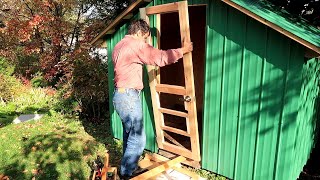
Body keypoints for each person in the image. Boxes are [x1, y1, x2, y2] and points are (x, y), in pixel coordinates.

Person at [112, 19, 193, 179]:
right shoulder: (135, 45)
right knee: (139, 138)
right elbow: (160, 57)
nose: (146, 41)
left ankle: (127, 168)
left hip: (120, 96)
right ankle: (127, 174)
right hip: (128, 96)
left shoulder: (119, 45)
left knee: (130, 135)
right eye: (145, 38)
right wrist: (184, 50)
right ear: (138, 33)